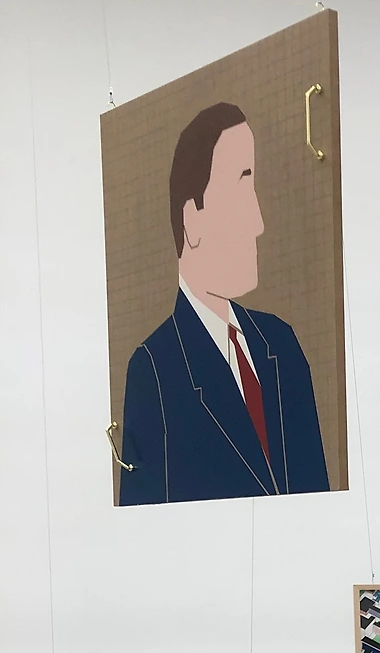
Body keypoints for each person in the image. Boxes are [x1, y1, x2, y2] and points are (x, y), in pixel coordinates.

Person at [118, 103, 330, 505]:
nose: (259, 222)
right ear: (192, 220)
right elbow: (145, 528)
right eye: (240, 188)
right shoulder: (155, 371)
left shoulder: (282, 344)